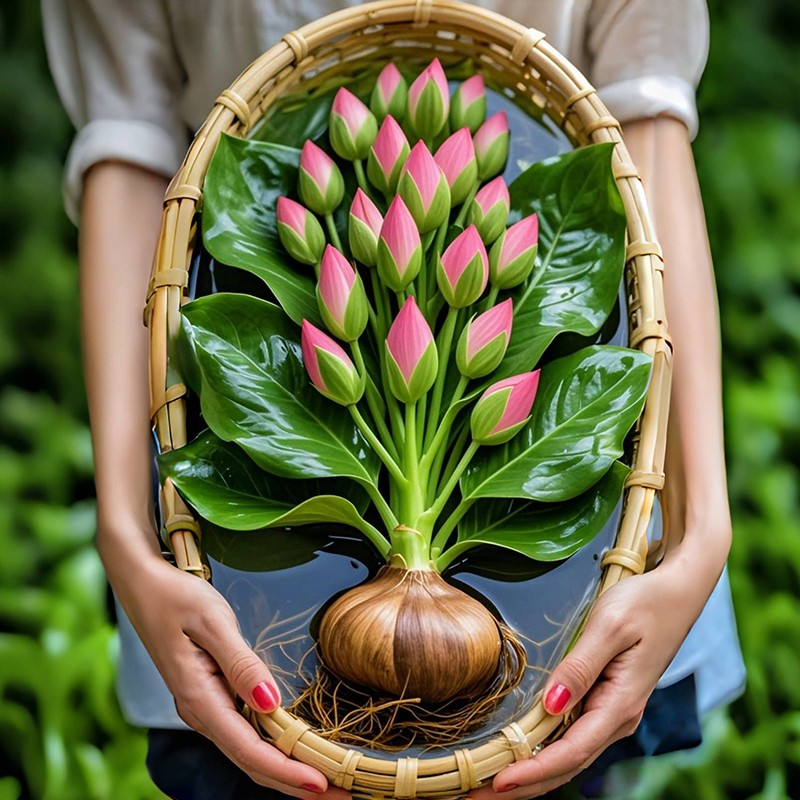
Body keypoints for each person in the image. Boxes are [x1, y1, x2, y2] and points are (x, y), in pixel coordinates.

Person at [42, 1, 744, 797]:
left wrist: (698, 533)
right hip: (230, 534)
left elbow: (643, 116)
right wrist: (128, 531)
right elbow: (127, 138)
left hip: (580, 559)